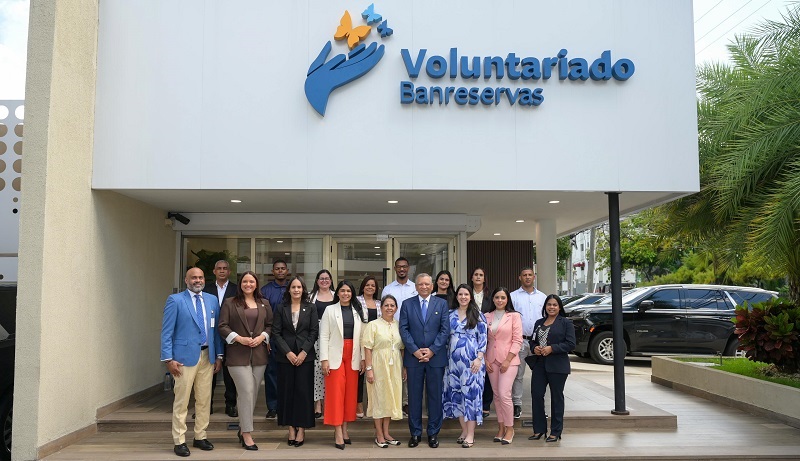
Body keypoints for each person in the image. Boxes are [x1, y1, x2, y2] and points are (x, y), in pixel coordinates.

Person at [160, 267, 223, 457]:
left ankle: (200, 436)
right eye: (193, 277)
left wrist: (219, 355)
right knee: (182, 401)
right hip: (183, 359)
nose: (198, 280)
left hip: (207, 356)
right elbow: (167, 332)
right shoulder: (175, 300)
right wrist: (168, 359)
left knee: (204, 399)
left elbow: (215, 331)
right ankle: (179, 440)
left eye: (201, 277)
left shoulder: (212, 300)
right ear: (186, 280)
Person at [217, 271, 272, 450]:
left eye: (252, 281)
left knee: (252, 393)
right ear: (240, 284)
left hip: (259, 355)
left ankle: (242, 428)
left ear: (256, 284)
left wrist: (262, 336)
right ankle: (247, 433)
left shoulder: (264, 303)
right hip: (237, 355)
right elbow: (222, 326)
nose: (248, 284)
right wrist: (239, 338)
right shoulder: (230, 303)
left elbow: (270, 325)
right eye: (245, 281)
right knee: (247, 391)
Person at [399, 273, 449, 449]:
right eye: (420, 284)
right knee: (414, 397)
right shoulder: (407, 304)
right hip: (414, 358)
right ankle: (415, 433)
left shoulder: (441, 304)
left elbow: (445, 330)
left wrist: (432, 350)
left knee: (434, 396)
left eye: (427, 284)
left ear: (432, 286)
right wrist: (415, 351)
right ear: (416, 286)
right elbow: (403, 329)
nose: (424, 287)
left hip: (436, 358)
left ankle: (433, 433)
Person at [272, 276, 319, 448]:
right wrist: (288, 353)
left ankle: (302, 429)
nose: (296, 290)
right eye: (293, 287)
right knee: (287, 393)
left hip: (305, 358)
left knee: (303, 393)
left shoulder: (311, 307)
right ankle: (291, 428)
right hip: (286, 358)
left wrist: (303, 352)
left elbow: (314, 332)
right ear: (289, 290)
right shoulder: (280, 308)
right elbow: (276, 333)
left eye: (299, 287)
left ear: (303, 289)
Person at [319, 280, 366, 449]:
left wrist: (363, 358)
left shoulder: (358, 310)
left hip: (353, 354)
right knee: (335, 394)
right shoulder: (329, 310)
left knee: (350, 394)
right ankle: (337, 431)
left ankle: (345, 429)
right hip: (334, 356)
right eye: (343, 291)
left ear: (352, 294)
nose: (346, 294)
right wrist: (324, 359)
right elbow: (324, 335)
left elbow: (363, 337)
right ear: (337, 293)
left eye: (349, 291)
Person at [443, 284, 487, 448]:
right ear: (456, 296)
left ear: (471, 297)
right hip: (453, 364)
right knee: (457, 397)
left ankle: (471, 434)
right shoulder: (449, 314)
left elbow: (483, 339)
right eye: (460, 294)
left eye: (466, 294)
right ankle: (464, 430)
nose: (463, 297)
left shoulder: (478, 315)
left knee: (471, 398)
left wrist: (479, 358)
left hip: (472, 364)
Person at [527, 295, 576, 443]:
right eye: (549, 304)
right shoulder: (539, 322)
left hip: (557, 365)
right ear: (545, 306)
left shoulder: (566, 323)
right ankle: (539, 429)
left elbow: (571, 344)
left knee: (556, 397)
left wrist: (552, 348)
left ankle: (556, 431)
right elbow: (532, 341)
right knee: (536, 395)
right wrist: (534, 348)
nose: (552, 307)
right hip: (540, 364)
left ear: (559, 307)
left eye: (555, 305)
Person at [362, 295, 404, 448]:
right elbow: (367, 348)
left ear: (396, 308)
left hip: (395, 366)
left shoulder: (399, 325)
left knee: (390, 398)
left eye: (392, 305)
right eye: (386, 305)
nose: (389, 308)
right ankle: (379, 434)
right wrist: (369, 369)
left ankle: (386, 432)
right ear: (381, 308)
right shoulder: (373, 325)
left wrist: (403, 368)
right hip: (378, 365)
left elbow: (402, 348)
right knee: (379, 398)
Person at [485, 287, 522, 444]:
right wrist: (485, 359)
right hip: (491, 360)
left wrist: (507, 360)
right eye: (497, 297)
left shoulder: (514, 316)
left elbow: (518, 340)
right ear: (493, 299)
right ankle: (500, 428)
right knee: (496, 395)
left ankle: (510, 428)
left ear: (507, 300)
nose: (499, 300)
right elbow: (483, 340)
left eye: (503, 297)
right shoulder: (486, 316)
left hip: (509, 360)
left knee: (504, 393)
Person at [202, 259, 238, 418]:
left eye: (225, 268)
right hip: (210, 336)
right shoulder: (206, 289)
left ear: (229, 272)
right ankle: (206, 406)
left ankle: (230, 405)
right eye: (219, 268)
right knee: (208, 373)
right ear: (214, 271)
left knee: (230, 374)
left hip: (231, 335)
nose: (222, 271)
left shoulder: (236, 289)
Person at [509, 267, 547, 419]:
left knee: (540, 375)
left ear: (534, 277)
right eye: (524, 275)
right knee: (517, 374)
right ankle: (517, 404)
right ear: (520, 277)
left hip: (538, 341)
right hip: (520, 340)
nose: (527, 277)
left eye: (530, 275)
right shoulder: (513, 296)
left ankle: (540, 406)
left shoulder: (542, 297)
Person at [382, 257, 417, 415]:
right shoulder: (388, 289)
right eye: (399, 267)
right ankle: (394, 400)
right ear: (395, 268)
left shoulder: (415, 288)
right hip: (393, 331)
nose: (402, 269)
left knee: (408, 367)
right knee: (394, 366)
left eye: (404, 266)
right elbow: (384, 310)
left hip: (412, 332)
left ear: (408, 268)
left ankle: (407, 401)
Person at [260, 259, 289, 419]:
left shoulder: (293, 288)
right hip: (271, 337)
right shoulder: (265, 290)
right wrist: (265, 338)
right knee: (271, 372)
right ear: (273, 271)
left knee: (289, 372)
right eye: (277, 269)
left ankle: (288, 404)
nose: (280, 271)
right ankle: (273, 406)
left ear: (287, 270)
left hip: (290, 337)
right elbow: (262, 316)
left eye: (283, 268)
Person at [310, 269, 335, 418]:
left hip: (333, 336)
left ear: (331, 281)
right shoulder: (310, 297)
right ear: (317, 281)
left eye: (327, 278)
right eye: (321, 278)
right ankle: (318, 402)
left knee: (331, 368)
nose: (324, 281)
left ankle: (329, 402)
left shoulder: (336, 296)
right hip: (315, 336)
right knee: (317, 369)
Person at [468, 266, 493, 418]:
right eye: (475, 274)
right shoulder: (466, 293)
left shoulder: (490, 295)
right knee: (471, 369)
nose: (478, 277)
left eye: (481, 275)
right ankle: (471, 401)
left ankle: (485, 404)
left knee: (486, 370)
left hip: (487, 336)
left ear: (484, 278)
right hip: (469, 337)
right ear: (471, 278)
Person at [356, 276, 380, 418]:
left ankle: (373, 403)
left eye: (373, 285)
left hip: (375, 342)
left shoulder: (379, 303)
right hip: (360, 340)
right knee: (360, 372)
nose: (370, 287)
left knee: (374, 373)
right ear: (363, 287)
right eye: (367, 285)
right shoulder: (356, 301)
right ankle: (358, 403)